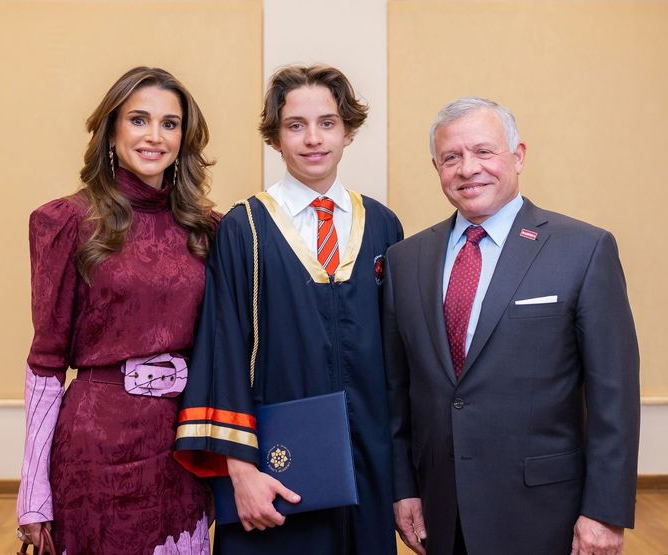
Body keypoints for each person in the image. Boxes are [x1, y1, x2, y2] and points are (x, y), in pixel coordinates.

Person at [383, 97, 640, 555]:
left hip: (546, 512)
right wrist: (405, 488)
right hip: (444, 511)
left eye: (484, 152)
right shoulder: (406, 261)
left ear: (518, 156)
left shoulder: (584, 250)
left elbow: (613, 395)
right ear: (436, 167)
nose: (468, 169)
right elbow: (398, 392)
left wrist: (604, 512)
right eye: (451, 157)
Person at [175, 64, 403, 554]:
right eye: (295, 125)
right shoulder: (244, 229)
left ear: (348, 132)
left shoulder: (383, 226)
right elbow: (223, 351)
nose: (312, 139)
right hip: (275, 468)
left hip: (369, 465)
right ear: (275, 139)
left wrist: (405, 480)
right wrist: (241, 469)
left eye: (327, 123)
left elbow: (399, 362)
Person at [16, 66, 218, 554]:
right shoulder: (65, 221)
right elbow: (45, 363)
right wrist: (31, 491)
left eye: (170, 124)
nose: (155, 136)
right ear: (111, 130)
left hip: (183, 443)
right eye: (139, 120)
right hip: (94, 447)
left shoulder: (209, 229)